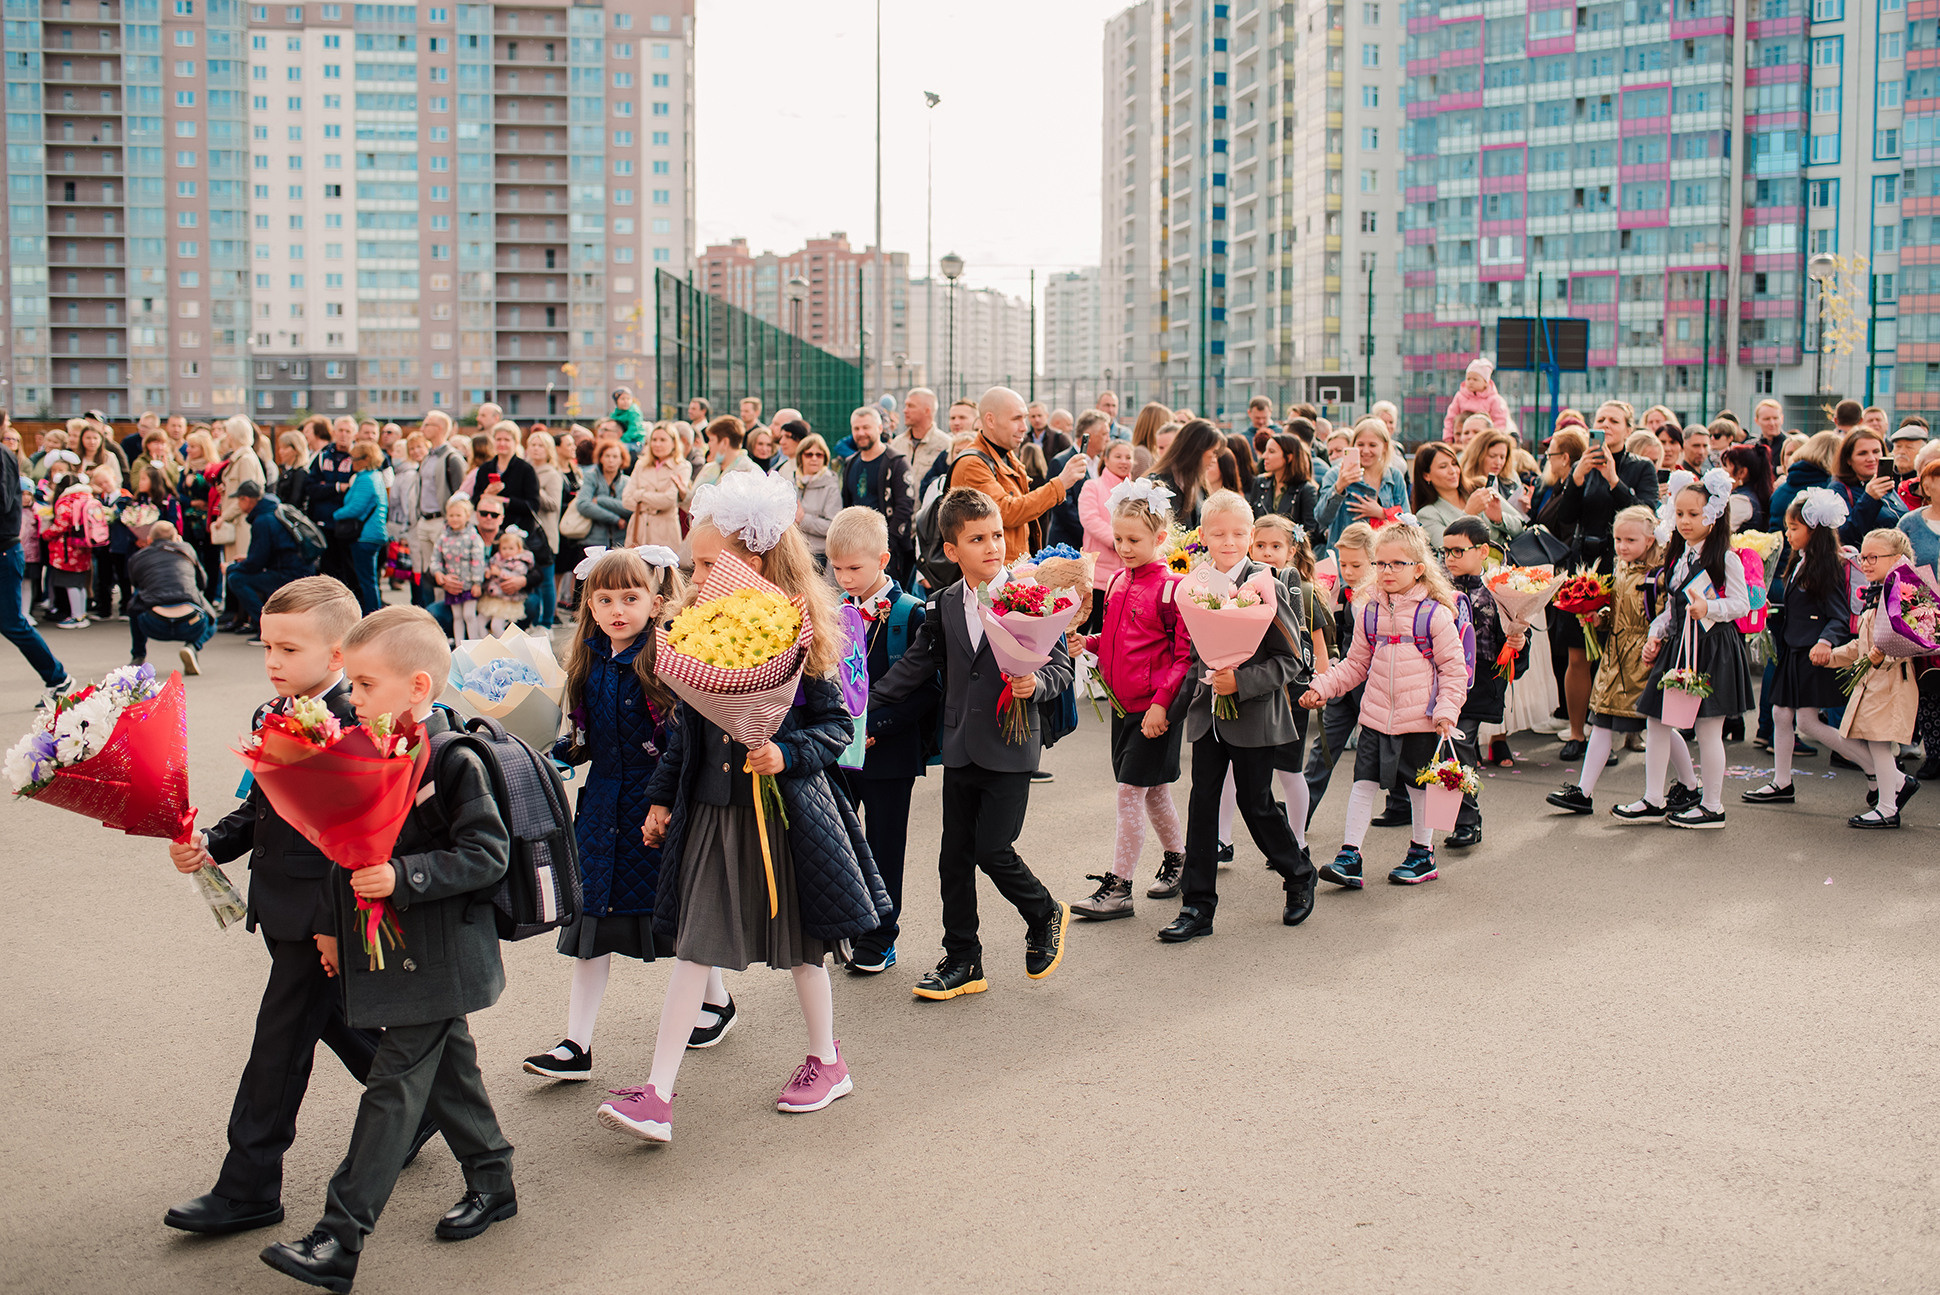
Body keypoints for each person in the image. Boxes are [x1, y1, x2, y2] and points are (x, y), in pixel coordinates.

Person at [597, 477, 892, 1142]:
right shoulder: (695, 630)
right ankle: (658, 1090)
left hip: (785, 816)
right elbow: (687, 731)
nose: (693, 576)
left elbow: (836, 727)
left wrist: (785, 755)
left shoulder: (800, 629)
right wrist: (661, 798)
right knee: (693, 946)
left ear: (746, 565)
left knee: (803, 946)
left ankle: (827, 1057)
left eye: (704, 563)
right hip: (711, 810)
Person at [260, 607, 517, 1291]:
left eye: (367, 683)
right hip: (405, 952)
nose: (355, 695)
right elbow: (347, 851)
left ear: (418, 685)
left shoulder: (455, 758)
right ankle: (494, 1180)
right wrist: (340, 929)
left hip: (444, 954)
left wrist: (407, 875)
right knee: (452, 1071)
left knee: (392, 1090)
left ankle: (339, 1237)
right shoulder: (378, 748)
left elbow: (489, 855)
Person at [159, 580, 420, 1241]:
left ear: (337, 650)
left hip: (321, 911)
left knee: (277, 1045)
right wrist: (210, 845)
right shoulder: (271, 709)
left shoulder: (362, 719)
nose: (271, 658)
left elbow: (363, 830)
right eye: (267, 645)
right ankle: (426, 1109)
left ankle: (248, 1185)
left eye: (288, 646)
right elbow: (261, 807)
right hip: (279, 900)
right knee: (330, 1018)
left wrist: (334, 924)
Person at [869, 487, 1072, 999]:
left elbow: (1060, 667)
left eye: (997, 535)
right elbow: (916, 664)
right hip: (960, 743)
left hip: (1011, 741)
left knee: (992, 848)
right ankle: (963, 959)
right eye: (977, 539)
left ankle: (1043, 909)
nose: (993, 547)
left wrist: (1036, 684)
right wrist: (863, 707)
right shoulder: (941, 604)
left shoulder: (1034, 598)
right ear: (951, 549)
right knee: (952, 858)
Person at [523, 547, 703, 1082]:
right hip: (601, 806)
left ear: (656, 599)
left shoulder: (666, 657)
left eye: (631, 597)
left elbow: (679, 740)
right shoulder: (586, 658)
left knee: (676, 917)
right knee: (591, 922)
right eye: (604, 599)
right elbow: (584, 734)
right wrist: (553, 751)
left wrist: (663, 800)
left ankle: (715, 1002)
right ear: (589, 605)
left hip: (653, 806)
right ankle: (576, 1044)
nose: (617, 610)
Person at [1155, 490, 1314, 941]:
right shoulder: (1196, 585)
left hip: (1255, 716)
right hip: (1207, 715)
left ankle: (1299, 874)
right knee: (1202, 805)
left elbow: (1292, 660)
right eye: (1219, 533)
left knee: (1255, 803)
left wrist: (1240, 683)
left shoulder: (1269, 584)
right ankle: (1197, 907)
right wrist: (1169, 705)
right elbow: (1191, 657)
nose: (1229, 541)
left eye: (1239, 533)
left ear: (1251, 535)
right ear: (1202, 535)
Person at [1302, 521, 1468, 889]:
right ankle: (1349, 855)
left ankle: (1422, 854)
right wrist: (1323, 686)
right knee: (1362, 783)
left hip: (1420, 721)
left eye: (1397, 564)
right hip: (1376, 717)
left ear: (1419, 569)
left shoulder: (1434, 615)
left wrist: (1445, 712)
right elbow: (1356, 663)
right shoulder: (1370, 611)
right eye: (1380, 564)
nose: (1386, 572)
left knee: (1418, 789)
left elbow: (1454, 670)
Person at [1066, 477, 1190, 921]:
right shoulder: (1117, 580)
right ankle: (1181, 860)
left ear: (1160, 538)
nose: (1123, 547)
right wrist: (1091, 642)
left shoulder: (1172, 588)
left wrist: (1162, 705)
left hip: (1152, 709)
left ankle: (1119, 887)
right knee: (1154, 790)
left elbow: (1183, 655)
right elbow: (1120, 637)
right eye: (1118, 538)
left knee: (1129, 792)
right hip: (1123, 706)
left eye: (1134, 539)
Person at [824, 506, 938, 975]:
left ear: (883, 559)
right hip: (839, 752)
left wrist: (876, 728)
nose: (845, 577)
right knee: (843, 842)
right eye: (837, 568)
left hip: (887, 752)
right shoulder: (833, 613)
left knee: (884, 845)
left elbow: (926, 689)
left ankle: (882, 936)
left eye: (855, 567)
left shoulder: (910, 613)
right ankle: (851, 922)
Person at [1613, 470, 1754, 829]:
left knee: (1708, 729)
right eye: (1679, 514)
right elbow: (1671, 607)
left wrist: (1711, 609)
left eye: (1694, 514)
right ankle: (1653, 798)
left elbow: (1742, 604)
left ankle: (1712, 806)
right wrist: (1656, 634)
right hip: (1678, 646)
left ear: (1713, 514)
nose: (1685, 521)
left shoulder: (1727, 558)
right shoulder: (1678, 557)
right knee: (1656, 721)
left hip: (1713, 647)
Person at [1546, 506, 1698, 814]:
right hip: (1615, 659)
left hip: (1643, 659)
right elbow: (1615, 611)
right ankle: (1584, 792)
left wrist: (1655, 645)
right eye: (1617, 539)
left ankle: (1691, 784)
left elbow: (1664, 618)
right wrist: (1598, 617)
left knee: (1660, 725)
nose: (1622, 546)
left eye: (1630, 539)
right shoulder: (1620, 569)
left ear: (1650, 540)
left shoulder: (1658, 576)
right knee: (1602, 723)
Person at [1543, 401, 1660, 759]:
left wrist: (1613, 479)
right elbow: (1565, 516)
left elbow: (1646, 513)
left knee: (1624, 651)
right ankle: (1578, 733)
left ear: (1628, 428)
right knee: (1579, 654)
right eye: (1600, 420)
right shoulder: (1582, 468)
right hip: (1585, 567)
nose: (1606, 426)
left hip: (1625, 569)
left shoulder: (1640, 468)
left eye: (1614, 421)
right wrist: (1576, 479)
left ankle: (1622, 730)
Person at [1739, 490, 1861, 811]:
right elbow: (1800, 604)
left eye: (1794, 528)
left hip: (1811, 652)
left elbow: (1837, 614)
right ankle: (1782, 782)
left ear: (1814, 529)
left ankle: (1879, 769)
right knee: (1782, 714)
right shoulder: (1801, 559)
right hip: (1795, 648)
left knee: (1807, 724)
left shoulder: (1827, 564)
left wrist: (1824, 641)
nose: (1787, 534)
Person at [1822, 528, 1926, 828]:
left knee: (1880, 744)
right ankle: (1894, 790)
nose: (1865, 563)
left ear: (1897, 559)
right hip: (1876, 680)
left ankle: (1888, 806)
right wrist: (1832, 658)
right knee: (1870, 742)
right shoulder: (1880, 591)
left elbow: (1912, 641)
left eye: (1872, 557)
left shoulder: (1903, 593)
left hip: (1892, 682)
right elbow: (1863, 644)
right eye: (1862, 557)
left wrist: (1886, 655)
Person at [1432, 516, 1519, 848]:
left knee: (1460, 747)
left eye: (1458, 550)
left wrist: (1517, 646)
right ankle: (1406, 806)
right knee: (1438, 749)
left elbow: (1512, 647)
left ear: (1482, 551)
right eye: (1445, 551)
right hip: (1438, 681)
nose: (1450, 558)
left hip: (1478, 684)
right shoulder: (1437, 590)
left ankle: (1467, 821)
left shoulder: (1498, 593)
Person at [949, 386, 1087, 563]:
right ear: (990, 420)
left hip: (1010, 569)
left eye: (1025, 418)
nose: (1024, 427)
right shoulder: (972, 464)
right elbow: (1006, 512)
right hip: (992, 575)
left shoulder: (1005, 454)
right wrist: (1060, 483)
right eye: (1016, 419)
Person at [0, 437, 70, 702]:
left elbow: (4, 502)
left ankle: (58, 677)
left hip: (4, 551)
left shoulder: (2, 455)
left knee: (12, 623)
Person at [126, 517, 216, 669]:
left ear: (149, 540)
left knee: (136, 600)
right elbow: (202, 583)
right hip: (191, 623)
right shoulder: (187, 549)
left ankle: (138, 655)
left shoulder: (138, 557)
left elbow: (135, 583)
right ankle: (193, 646)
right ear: (176, 538)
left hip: (154, 623)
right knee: (212, 618)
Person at [839, 404, 915, 581]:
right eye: (856, 428)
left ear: (879, 428)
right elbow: (847, 506)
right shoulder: (850, 463)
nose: (861, 433)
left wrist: (887, 545)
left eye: (866, 427)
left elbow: (905, 508)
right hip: (856, 550)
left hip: (889, 552)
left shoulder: (896, 462)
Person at [224, 480, 309, 637]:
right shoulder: (274, 510)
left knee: (236, 578)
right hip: (299, 567)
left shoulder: (263, 520)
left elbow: (255, 563)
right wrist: (247, 559)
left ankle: (264, 627)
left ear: (246, 499)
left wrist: (230, 567)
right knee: (242, 575)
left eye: (239, 500)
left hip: (289, 573)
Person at [1317, 417, 1409, 548]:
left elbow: (1408, 523)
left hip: (1384, 557)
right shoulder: (1335, 474)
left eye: (1372, 445)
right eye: (1360, 445)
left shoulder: (1394, 476)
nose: (1365, 451)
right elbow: (1322, 518)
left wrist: (1382, 513)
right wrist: (1339, 487)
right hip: (1345, 558)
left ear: (1385, 446)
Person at [411, 411, 469, 609]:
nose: (422, 428)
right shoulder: (428, 456)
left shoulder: (452, 458)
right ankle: (433, 612)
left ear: (439, 429)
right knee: (429, 572)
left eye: (427, 424)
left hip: (442, 521)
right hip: (425, 520)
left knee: (444, 573)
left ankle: (445, 617)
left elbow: (459, 494)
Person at [1079, 437, 1137, 619]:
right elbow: (1090, 519)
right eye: (1118, 456)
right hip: (1099, 572)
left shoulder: (1137, 490)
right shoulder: (1093, 486)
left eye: (1128, 457)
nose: (1124, 461)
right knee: (1094, 625)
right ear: (1106, 459)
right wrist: (1118, 540)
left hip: (1130, 571)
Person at [334, 440, 388, 616]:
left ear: (366, 459)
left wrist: (336, 514)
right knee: (369, 579)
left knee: (366, 581)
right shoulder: (376, 476)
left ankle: (372, 616)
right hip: (374, 533)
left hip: (366, 535)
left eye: (355, 459)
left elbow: (356, 508)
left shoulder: (365, 479)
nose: (352, 462)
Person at [1147, 418, 1228, 531]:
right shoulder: (1156, 485)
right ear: (1197, 450)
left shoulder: (1198, 483)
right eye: (1214, 452)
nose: (1215, 460)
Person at [1832, 426, 1907, 546]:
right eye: (1862, 453)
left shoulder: (1887, 483)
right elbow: (1843, 536)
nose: (1871, 459)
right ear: (1848, 459)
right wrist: (1869, 499)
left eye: (1876, 451)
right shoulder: (1838, 489)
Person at [622, 422, 692, 551]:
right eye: (654, 439)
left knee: (662, 569)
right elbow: (626, 500)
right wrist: (655, 505)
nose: (657, 444)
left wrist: (640, 495)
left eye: (663, 440)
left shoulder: (682, 466)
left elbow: (668, 500)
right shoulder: (640, 465)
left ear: (673, 443)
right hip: (638, 530)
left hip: (665, 532)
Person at [428, 494, 487, 640]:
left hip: (469, 585)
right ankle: (460, 646)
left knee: (469, 614)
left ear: (467, 516)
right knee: (457, 616)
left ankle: (474, 642)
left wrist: (477, 583)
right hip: (453, 585)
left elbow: (478, 561)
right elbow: (436, 558)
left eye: (458, 515)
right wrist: (438, 573)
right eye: (451, 515)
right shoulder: (443, 538)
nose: (454, 518)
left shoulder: (473, 537)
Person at [216, 415, 268, 568]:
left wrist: (224, 517)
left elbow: (249, 495)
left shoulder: (245, 459)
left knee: (238, 567)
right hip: (236, 522)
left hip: (241, 524)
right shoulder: (240, 458)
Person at [1249, 432, 1320, 537]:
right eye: (1265, 450)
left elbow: (1311, 533)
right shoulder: (1260, 483)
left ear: (1289, 457)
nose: (1264, 456)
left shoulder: (1306, 490)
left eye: (1271, 452)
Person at [791, 433, 843, 562]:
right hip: (793, 551)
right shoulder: (793, 483)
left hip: (818, 555)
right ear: (800, 457)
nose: (814, 458)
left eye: (819, 455)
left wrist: (803, 519)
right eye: (809, 454)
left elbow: (833, 526)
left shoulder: (831, 486)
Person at [573, 439, 632, 549]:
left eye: (615, 457)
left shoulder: (627, 482)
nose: (611, 460)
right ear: (600, 458)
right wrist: (616, 519)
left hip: (620, 543)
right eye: (607, 456)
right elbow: (583, 505)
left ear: (621, 460)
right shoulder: (591, 477)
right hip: (593, 542)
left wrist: (601, 500)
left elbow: (629, 508)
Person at [1441, 356, 1514, 442]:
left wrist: (1494, 439)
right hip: (1461, 439)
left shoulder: (1494, 400)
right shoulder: (1460, 396)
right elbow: (1450, 417)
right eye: (1468, 379)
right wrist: (1448, 438)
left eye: (1475, 379)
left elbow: (1499, 421)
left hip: (1483, 440)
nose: (1471, 382)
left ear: (1485, 383)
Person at [476, 527, 534, 636]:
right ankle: (486, 645)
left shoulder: (520, 562)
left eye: (511, 548)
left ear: (519, 549)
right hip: (492, 598)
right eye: (504, 548)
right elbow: (488, 565)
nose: (507, 551)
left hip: (507, 600)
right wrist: (487, 571)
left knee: (496, 626)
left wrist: (499, 572)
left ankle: (504, 647)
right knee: (479, 622)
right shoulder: (496, 558)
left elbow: (516, 575)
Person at [893, 387, 953, 487]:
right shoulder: (897, 444)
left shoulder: (946, 445)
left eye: (910, 406)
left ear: (927, 411)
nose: (904, 410)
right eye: (905, 405)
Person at [691, 415, 759, 491]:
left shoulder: (750, 472)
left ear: (724, 442)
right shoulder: (709, 467)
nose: (709, 444)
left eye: (711, 440)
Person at [1721, 444, 1775, 531]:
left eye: (1726, 466)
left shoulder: (1740, 500)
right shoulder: (1754, 494)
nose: (1722, 471)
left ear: (1742, 473)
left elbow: (1719, 533)